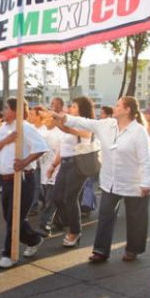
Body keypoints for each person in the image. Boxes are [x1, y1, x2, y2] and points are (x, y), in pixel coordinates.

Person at [53, 97, 150, 263]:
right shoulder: (107, 124)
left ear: (127, 110)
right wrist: (64, 118)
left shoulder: (139, 131)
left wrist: (146, 182)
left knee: (136, 218)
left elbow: (146, 159)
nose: (114, 107)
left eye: (118, 105)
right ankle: (100, 251)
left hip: (133, 182)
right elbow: (85, 123)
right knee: (105, 215)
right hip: (109, 181)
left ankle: (133, 249)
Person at [0, 97, 49, 269]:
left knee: (14, 218)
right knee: (9, 217)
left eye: (6, 108)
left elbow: (42, 147)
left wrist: (24, 161)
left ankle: (8, 254)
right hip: (5, 180)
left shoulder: (25, 127)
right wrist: (7, 140)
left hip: (23, 179)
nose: (3, 111)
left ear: (15, 110)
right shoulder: (3, 129)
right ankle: (34, 239)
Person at [51, 96, 95, 247]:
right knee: (57, 197)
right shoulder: (68, 123)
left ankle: (75, 231)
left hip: (79, 163)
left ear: (82, 109)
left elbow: (77, 132)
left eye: (75, 106)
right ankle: (70, 222)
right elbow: (63, 147)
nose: (71, 108)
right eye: (72, 106)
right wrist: (53, 165)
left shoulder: (87, 124)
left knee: (70, 198)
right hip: (65, 163)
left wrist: (59, 122)